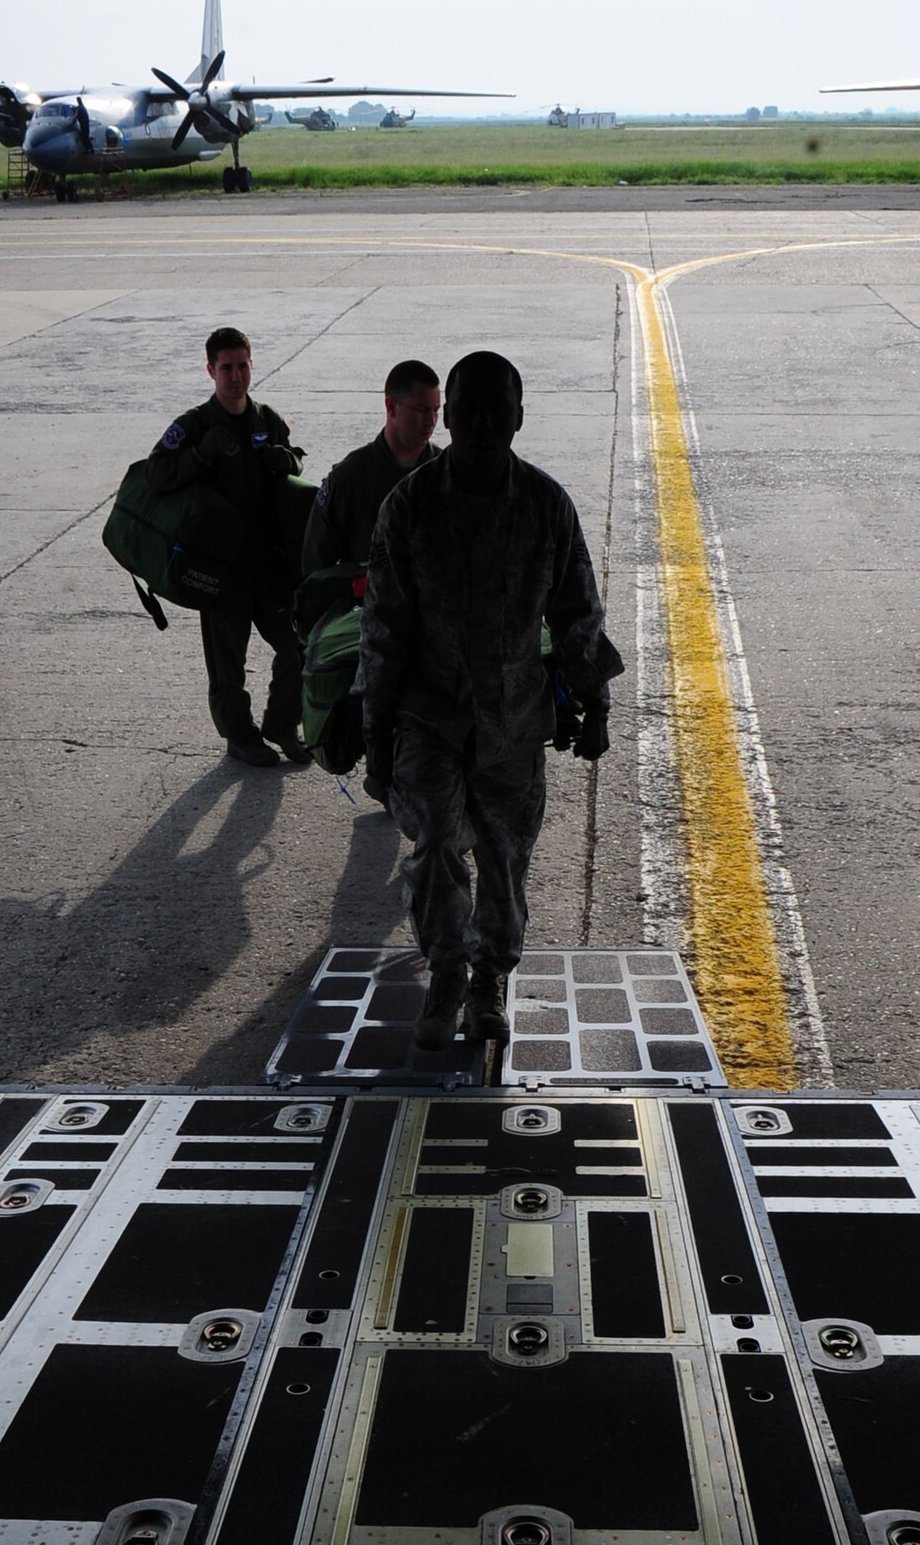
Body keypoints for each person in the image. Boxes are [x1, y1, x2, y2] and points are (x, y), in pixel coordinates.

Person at [360, 349, 622, 1051]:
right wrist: (376, 737)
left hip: (512, 719)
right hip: (430, 716)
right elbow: (383, 630)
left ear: (518, 418)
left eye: (495, 409)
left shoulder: (544, 505)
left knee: (505, 860)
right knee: (437, 844)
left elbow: (577, 614)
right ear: (448, 417)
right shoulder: (410, 507)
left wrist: (593, 705)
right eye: (466, 409)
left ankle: (489, 978)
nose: (480, 423)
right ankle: (447, 972)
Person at [146, 326, 309, 768]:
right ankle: (240, 736)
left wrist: (288, 459)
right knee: (227, 667)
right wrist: (199, 456)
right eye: (226, 368)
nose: (235, 376)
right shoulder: (194, 425)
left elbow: (294, 453)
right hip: (221, 568)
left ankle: (282, 724)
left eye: (242, 366)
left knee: (298, 648)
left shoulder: (266, 418)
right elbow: (156, 475)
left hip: (269, 566)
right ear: (210, 371)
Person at [301, 359, 442, 576]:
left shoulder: (444, 472)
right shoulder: (350, 478)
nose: (430, 421)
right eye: (421, 410)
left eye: (435, 411)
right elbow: (316, 568)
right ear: (391, 406)